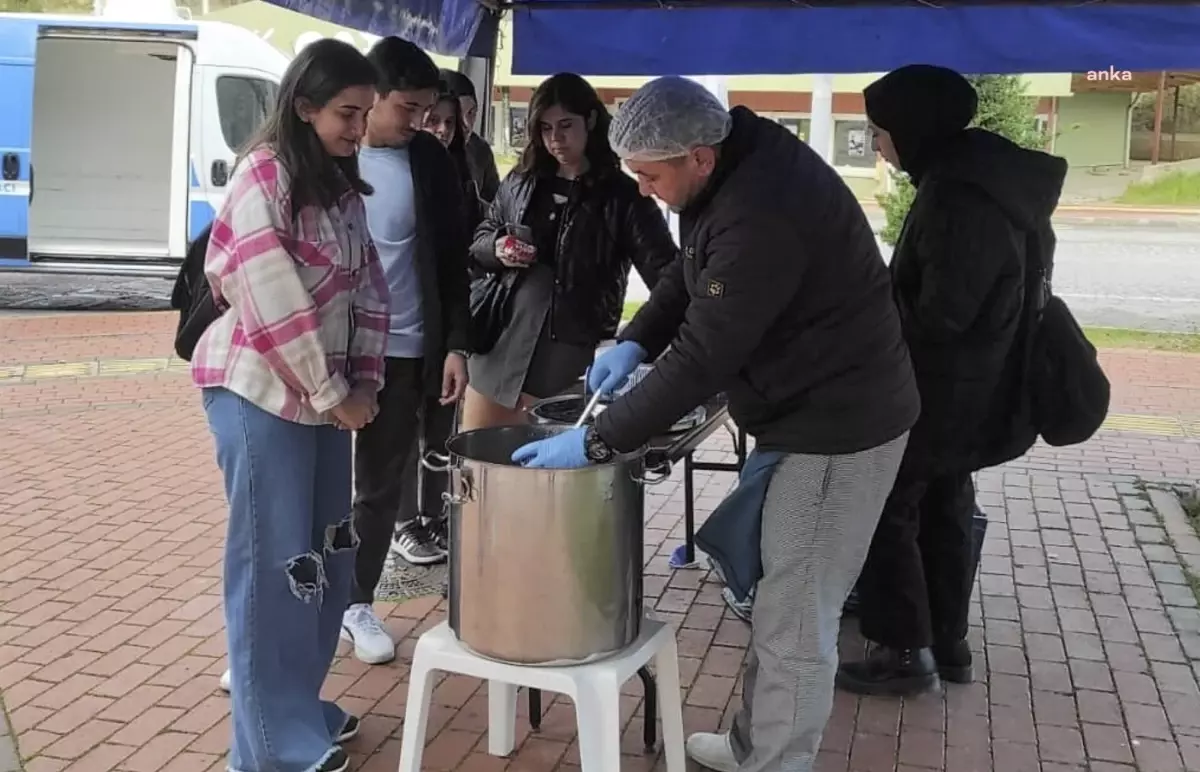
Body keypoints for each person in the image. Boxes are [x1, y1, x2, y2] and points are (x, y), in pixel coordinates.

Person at [511, 76, 921, 772]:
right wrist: (636, 338)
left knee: (795, 614)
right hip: (804, 410)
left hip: (838, 427)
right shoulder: (728, 171)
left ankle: (775, 761)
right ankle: (752, 746)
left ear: (698, 157)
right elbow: (691, 279)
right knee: (781, 597)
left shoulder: (763, 207)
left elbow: (706, 353)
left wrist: (598, 438)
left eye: (650, 175)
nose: (642, 189)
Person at [837, 64, 1066, 696]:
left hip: (941, 388)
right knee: (944, 505)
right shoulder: (988, 178)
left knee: (890, 507)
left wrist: (872, 303)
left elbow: (942, 311)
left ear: (915, 128)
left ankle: (903, 650)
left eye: (880, 132)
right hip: (976, 385)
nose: (878, 145)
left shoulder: (958, 195)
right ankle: (946, 641)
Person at [192, 39, 388, 772]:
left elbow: (372, 290)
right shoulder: (263, 178)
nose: (358, 130)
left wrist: (363, 385)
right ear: (304, 106)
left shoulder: (338, 185)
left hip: (323, 403)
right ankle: (270, 749)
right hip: (260, 395)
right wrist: (338, 394)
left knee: (326, 564)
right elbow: (272, 300)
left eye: (365, 115)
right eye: (347, 113)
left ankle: (298, 713)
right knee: (274, 571)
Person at [340, 36, 473, 665]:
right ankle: (287, 614)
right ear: (373, 95)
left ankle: (355, 601)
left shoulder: (429, 160)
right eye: (409, 108)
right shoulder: (329, 156)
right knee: (305, 482)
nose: (421, 122)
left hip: (405, 348)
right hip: (329, 351)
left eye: (427, 111)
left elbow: (452, 261)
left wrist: (454, 346)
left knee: (380, 484)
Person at [460, 72, 677, 430]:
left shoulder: (624, 196)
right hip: (499, 337)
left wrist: (637, 343)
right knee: (478, 463)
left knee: (550, 474)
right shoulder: (521, 180)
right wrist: (498, 247)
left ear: (590, 120)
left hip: (570, 345)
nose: (555, 139)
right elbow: (481, 239)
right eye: (545, 129)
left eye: (565, 125)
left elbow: (667, 275)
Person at [423, 83, 486, 232]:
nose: (443, 130)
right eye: (433, 121)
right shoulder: (405, 167)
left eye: (449, 122)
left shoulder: (462, 171)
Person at [441, 68, 500, 203]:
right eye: (458, 113)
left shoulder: (480, 150)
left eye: (471, 113)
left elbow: (494, 203)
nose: (466, 124)